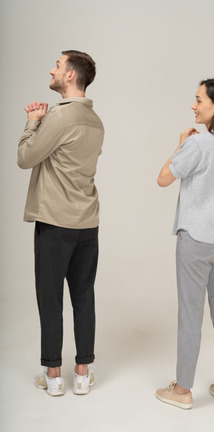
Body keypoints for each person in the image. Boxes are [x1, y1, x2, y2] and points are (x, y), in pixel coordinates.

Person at [17, 50, 104, 396]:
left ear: (70, 76)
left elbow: (25, 157)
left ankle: (53, 376)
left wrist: (33, 122)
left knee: (50, 297)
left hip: (56, 222)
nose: (51, 70)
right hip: (88, 222)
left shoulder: (59, 117)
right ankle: (82, 373)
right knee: (83, 295)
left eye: (57, 65)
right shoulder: (96, 120)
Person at [155, 77, 214, 409]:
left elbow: (163, 179)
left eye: (198, 100)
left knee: (190, 315)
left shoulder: (198, 144)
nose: (193, 105)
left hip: (197, 239)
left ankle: (181, 391)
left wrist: (179, 145)